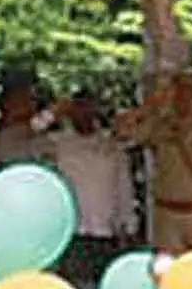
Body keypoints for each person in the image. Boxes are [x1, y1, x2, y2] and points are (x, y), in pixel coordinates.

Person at [114, 73, 192, 254]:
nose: (186, 98)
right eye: (180, 92)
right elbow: (122, 133)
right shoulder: (158, 127)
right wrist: (150, 106)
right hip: (168, 215)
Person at [35, 92, 136, 282]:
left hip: (106, 232)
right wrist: (52, 112)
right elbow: (31, 132)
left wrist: (128, 224)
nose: (84, 113)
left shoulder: (111, 142)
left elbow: (124, 186)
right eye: (78, 108)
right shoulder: (56, 142)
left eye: (88, 107)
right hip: (71, 232)